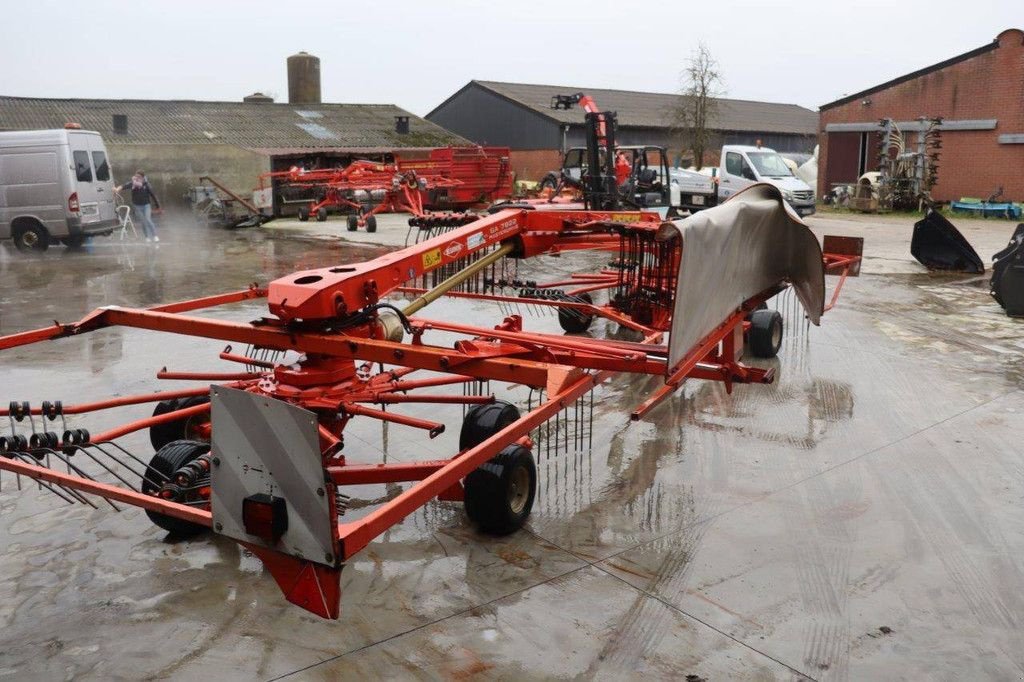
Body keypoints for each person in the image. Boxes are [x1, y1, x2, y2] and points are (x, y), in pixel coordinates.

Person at [115, 171, 161, 242]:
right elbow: (123, 186)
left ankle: (155, 236)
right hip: (137, 206)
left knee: (148, 220)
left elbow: (153, 195)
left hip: (146, 205)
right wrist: (117, 189)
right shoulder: (132, 184)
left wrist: (158, 206)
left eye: (139, 177)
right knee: (143, 221)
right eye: (136, 176)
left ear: (142, 178)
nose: (137, 178)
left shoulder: (146, 185)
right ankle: (147, 237)